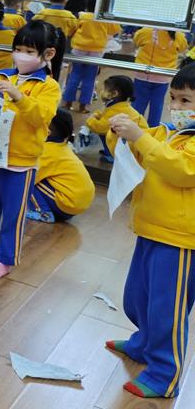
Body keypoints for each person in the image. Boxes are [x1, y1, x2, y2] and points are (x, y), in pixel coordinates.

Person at [104, 62, 195, 399]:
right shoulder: (167, 132)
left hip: (181, 240)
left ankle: (164, 374)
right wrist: (120, 133)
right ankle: (143, 343)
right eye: (173, 98)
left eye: (185, 100)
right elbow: (139, 154)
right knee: (137, 297)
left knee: (166, 310)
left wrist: (140, 137)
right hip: (151, 228)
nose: (176, 107)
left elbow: (182, 170)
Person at [0, 20, 65, 279]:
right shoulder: (1, 74)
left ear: (48, 53)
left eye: (29, 51)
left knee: (13, 214)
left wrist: (19, 96)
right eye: (18, 49)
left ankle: (5, 259)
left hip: (20, 161)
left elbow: (42, 116)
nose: (21, 55)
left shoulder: (48, 86)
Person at [26, 109, 95, 223]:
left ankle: (43, 212)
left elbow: (30, 178)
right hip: (75, 203)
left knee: (26, 177)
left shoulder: (48, 151)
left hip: (69, 202)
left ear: (48, 131)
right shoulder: (61, 145)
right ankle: (54, 209)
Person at [62, 8, 122, 113]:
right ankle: (83, 106)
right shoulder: (104, 17)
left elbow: (72, 29)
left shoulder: (82, 15)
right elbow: (115, 29)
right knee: (90, 79)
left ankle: (68, 103)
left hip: (79, 48)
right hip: (96, 50)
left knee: (74, 76)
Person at [85, 75, 148, 164]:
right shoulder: (121, 106)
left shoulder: (116, 110)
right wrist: (98, 115)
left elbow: (100, 128)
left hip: (131, 147)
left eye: (104, 89)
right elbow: (105, 114)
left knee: (104, 132)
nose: (101, 91)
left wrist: (90, 120)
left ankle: (112, 155)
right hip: (136, 142)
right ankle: (109, 150)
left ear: (114, 94)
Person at [133, 27, 188, 127]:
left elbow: (136, 40)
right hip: (163, 77)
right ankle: (153, 129)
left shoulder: (146, 31)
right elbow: (183, 47)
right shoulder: (178, 36)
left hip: (143, 74)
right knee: (157, 105)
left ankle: (133, 127)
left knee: (138, 103)